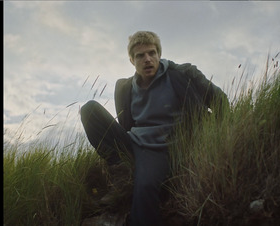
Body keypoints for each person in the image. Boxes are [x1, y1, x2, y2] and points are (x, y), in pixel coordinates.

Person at [80, 31, 229, 226]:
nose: (147, 59)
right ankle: (121, 167)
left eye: (152, 53)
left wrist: (219, 137)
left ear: (159, 54)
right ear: (132, 60)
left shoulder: (183, 74)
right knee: (89, 109)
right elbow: (127, 123)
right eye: (140, 55)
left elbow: (220, 101)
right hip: (135, 143)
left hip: (167, 145)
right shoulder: (125, 87)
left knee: (145, 187)